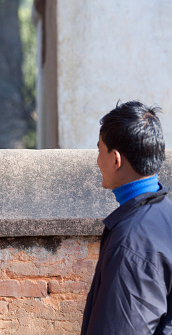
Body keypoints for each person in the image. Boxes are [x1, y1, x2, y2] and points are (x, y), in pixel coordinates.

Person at [81, 100, 172, 334]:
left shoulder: (131, 240)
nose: (97, 160)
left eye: (100, 150)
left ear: (116, 159)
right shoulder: (165, 213)